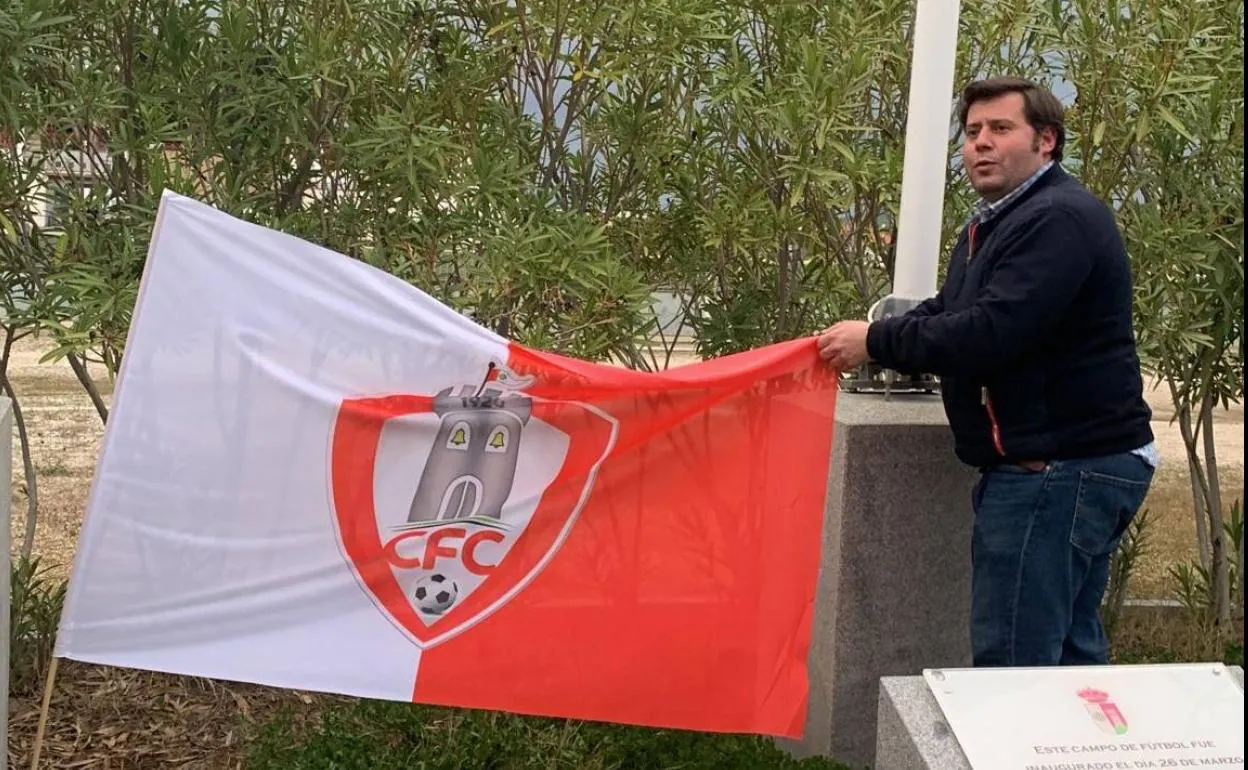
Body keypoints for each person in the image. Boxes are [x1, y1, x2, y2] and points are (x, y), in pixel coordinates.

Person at [816, 76, 1157, 668]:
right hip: (1067, 468)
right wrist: (866, 338)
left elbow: (990, 333)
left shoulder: (1057, 220)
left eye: (1001, 129)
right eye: (972, 132)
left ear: (1046, 140)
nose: (981, 144)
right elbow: (953, 312)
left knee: (1016, 669)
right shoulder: (999, 223)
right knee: (1071, 660)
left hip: (1058, 472)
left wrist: (875, 339)